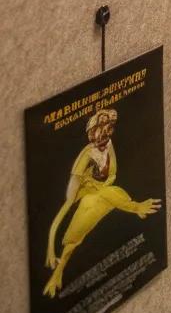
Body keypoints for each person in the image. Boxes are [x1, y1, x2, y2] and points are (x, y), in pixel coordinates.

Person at [42, 107, 161, 297]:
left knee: (111, 193)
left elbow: (112, 174)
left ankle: (135, 207)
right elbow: (67, 205)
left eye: (108, 127)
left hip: (104, 193)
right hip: (89, 197)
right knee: (74, 234)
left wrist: (104, 187)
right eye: (101, 128)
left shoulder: (109, 146)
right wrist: (50, 246)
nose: (105, 132)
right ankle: (58, 272)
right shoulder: (86, 156)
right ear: (92, 133)